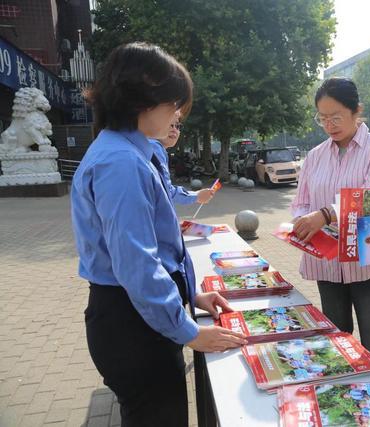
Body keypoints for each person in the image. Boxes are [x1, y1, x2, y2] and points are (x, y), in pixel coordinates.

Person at [71, 42, 247, 427]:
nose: (177, 116)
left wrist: (191, 294)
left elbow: (148, 252)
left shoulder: (127, 152)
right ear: (143, 100)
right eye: (174, 105)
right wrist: (189, 332)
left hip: (134, 313)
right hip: (131, 325)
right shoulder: (121, 162)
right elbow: (137, 264)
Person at [291, 77, 370, 363]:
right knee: (337, 342)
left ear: (356, 110)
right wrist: (301, 224)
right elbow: (301, 203)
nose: (329, 124)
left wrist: (325, 214)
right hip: (328, 263)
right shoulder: (315, 156)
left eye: (336, 117)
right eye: (322, 118)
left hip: (368, 265)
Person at [149, 117, 217, 205]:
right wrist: (196, 196)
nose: (174, 129)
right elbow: (165, 190)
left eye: (177, 126)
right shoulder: (155, 147)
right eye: (170, 124)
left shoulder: (149, 145)